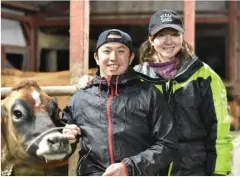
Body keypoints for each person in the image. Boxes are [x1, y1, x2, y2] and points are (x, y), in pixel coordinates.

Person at [77, 10, 233, 176]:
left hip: (192, 168)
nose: (168, 41)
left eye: (174, 34)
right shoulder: (136, 78)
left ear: (182, 37)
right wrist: (92, 80)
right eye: (161, 35)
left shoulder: (204, 77)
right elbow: (109, 99)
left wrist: (219, 172)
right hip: (149, 168)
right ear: (151, 39)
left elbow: (219, 132)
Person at [62, 29, 178, 176]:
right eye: (107, 51)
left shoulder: (149, 95)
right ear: (96, 57)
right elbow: (60, 143)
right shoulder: (80, 99)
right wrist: (66, 137)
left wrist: (128, 168)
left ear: (131, 58)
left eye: (121, 51)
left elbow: (168, 145)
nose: (113, 57)